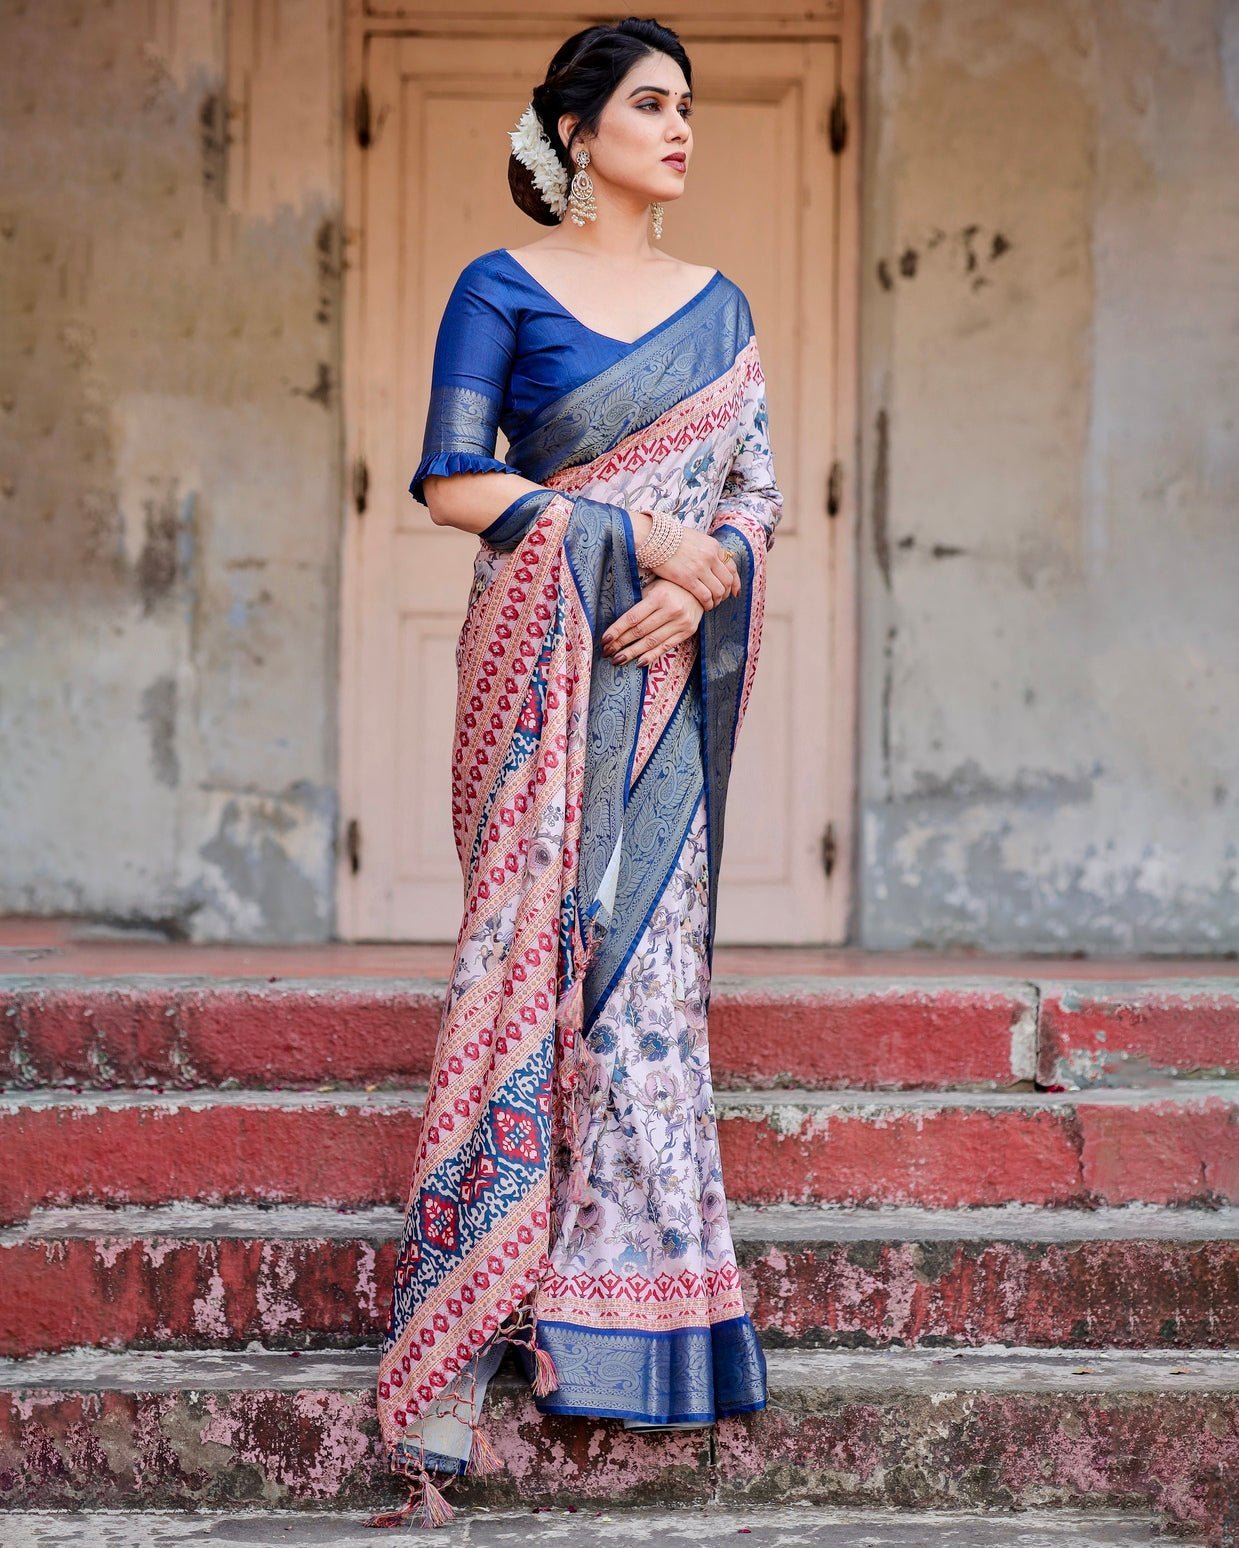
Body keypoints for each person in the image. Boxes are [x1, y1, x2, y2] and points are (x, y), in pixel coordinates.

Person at [369, 15, 782, 1529]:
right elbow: (453, 479)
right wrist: (627, 540)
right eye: (652, 104)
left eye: (689, 106)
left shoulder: (722, 307)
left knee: (646, 990)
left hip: (663, 684)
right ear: (578, 128)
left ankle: (638, 1330)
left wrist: (708, 571)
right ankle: (475, 1316)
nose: (681, 128)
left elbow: (758, 498)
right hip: (543, 678)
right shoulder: (502, 285)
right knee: (528, 963)